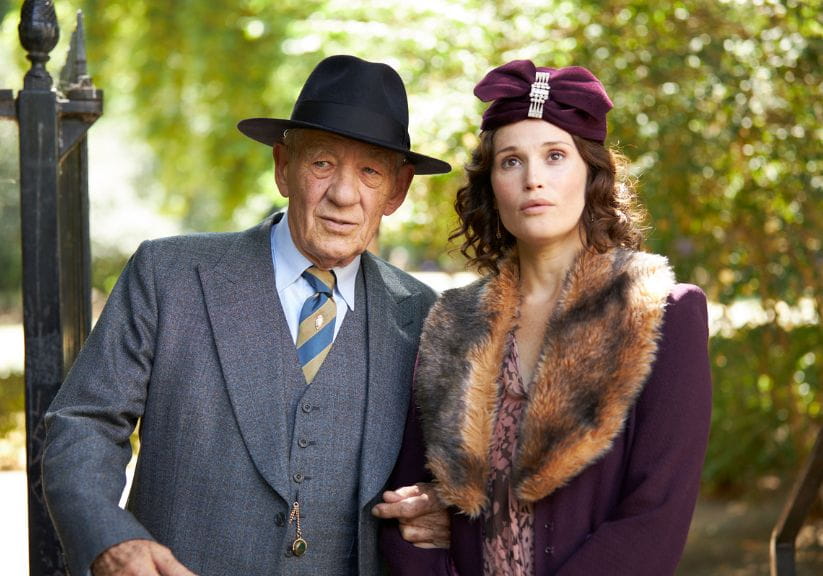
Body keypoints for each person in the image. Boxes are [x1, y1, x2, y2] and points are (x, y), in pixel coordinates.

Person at [42, 54, 452, 576]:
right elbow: (84, 422)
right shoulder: (169, 274)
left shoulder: (425, 316)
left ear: (397, 191)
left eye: (370, 172)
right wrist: (109, 540)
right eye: (322, 163)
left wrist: (447, 512)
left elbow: (455, 472)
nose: (343, 195)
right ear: (284, 167)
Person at [378, 59, 713, 575]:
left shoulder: (662, 313)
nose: (534, 179)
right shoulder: (454, 322)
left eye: (555, 156)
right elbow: (406, 509)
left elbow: (656, 517)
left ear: (592, 172)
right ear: (491, 184)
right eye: (511, 161)